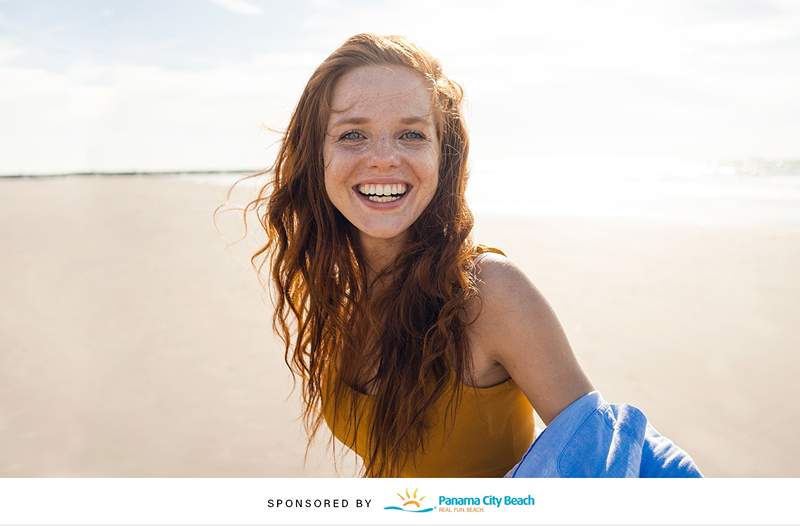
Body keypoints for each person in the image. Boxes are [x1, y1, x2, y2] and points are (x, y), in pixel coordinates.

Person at [243, 33, 693, 478]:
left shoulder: (488, 293)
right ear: (316, 154)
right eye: (353, 134)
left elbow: (611, 470)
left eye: (412, 134)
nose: (383, 158)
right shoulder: (341, 295)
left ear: (444, 156)